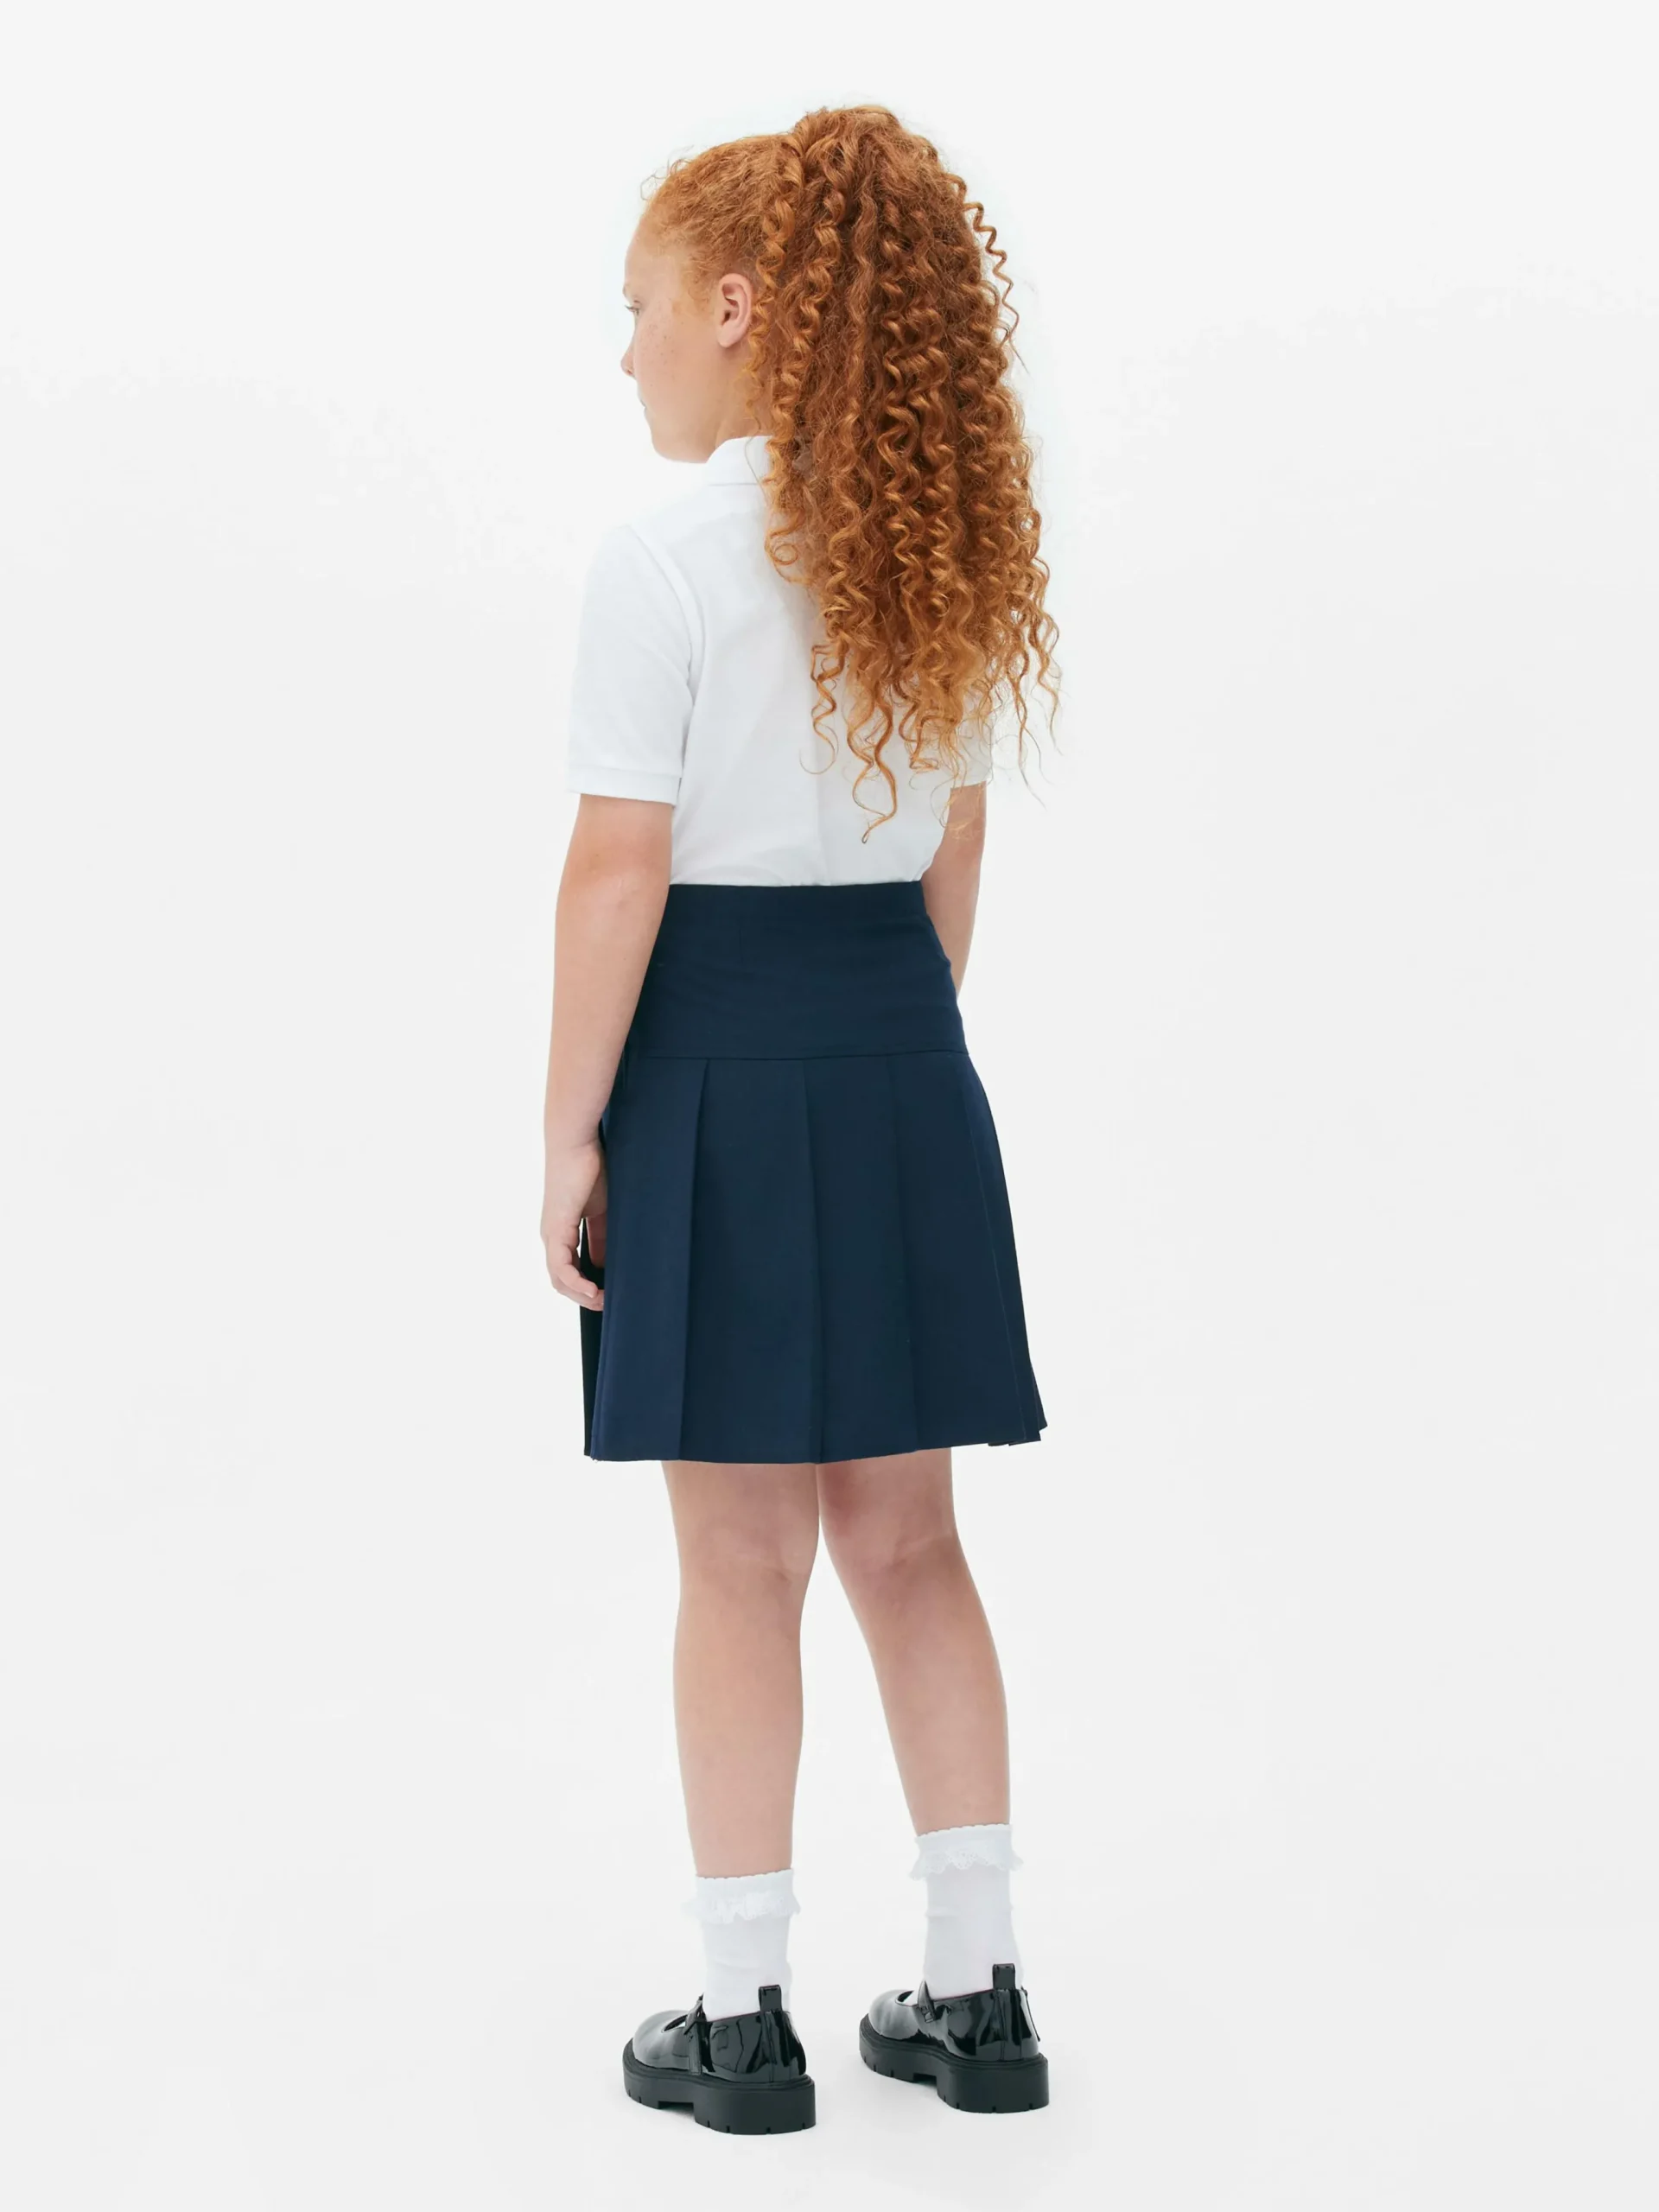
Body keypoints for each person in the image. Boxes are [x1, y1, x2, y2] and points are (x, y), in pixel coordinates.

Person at [540, 104, 1061, 2135]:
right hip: (899, 1042)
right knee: (912, 1538)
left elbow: (617, 871)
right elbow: (958, 847)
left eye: (645, 306)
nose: (630, 351)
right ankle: (978, 1990)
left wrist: (572, 1132)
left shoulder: (665, 558)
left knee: (738, 1554)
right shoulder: (934, 555)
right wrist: (895, 1050)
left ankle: (743, 2016)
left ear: (741, 306)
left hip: (710, 1057)